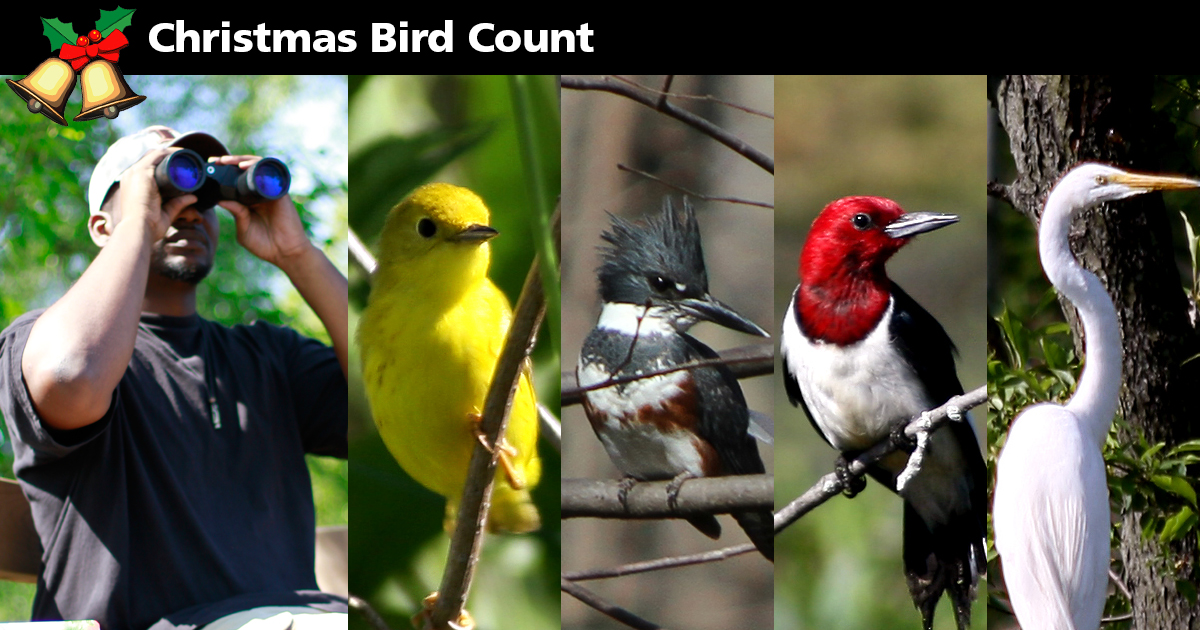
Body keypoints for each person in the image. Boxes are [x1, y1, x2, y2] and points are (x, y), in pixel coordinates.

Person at [0, 126, 349, 629]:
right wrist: (139, 226)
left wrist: (300, 257)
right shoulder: (41, 339)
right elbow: (72, 377)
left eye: (203, 194)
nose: (187, 208)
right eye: (163, 189)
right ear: (102, 227)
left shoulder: (270, 357)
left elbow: (392, 407)